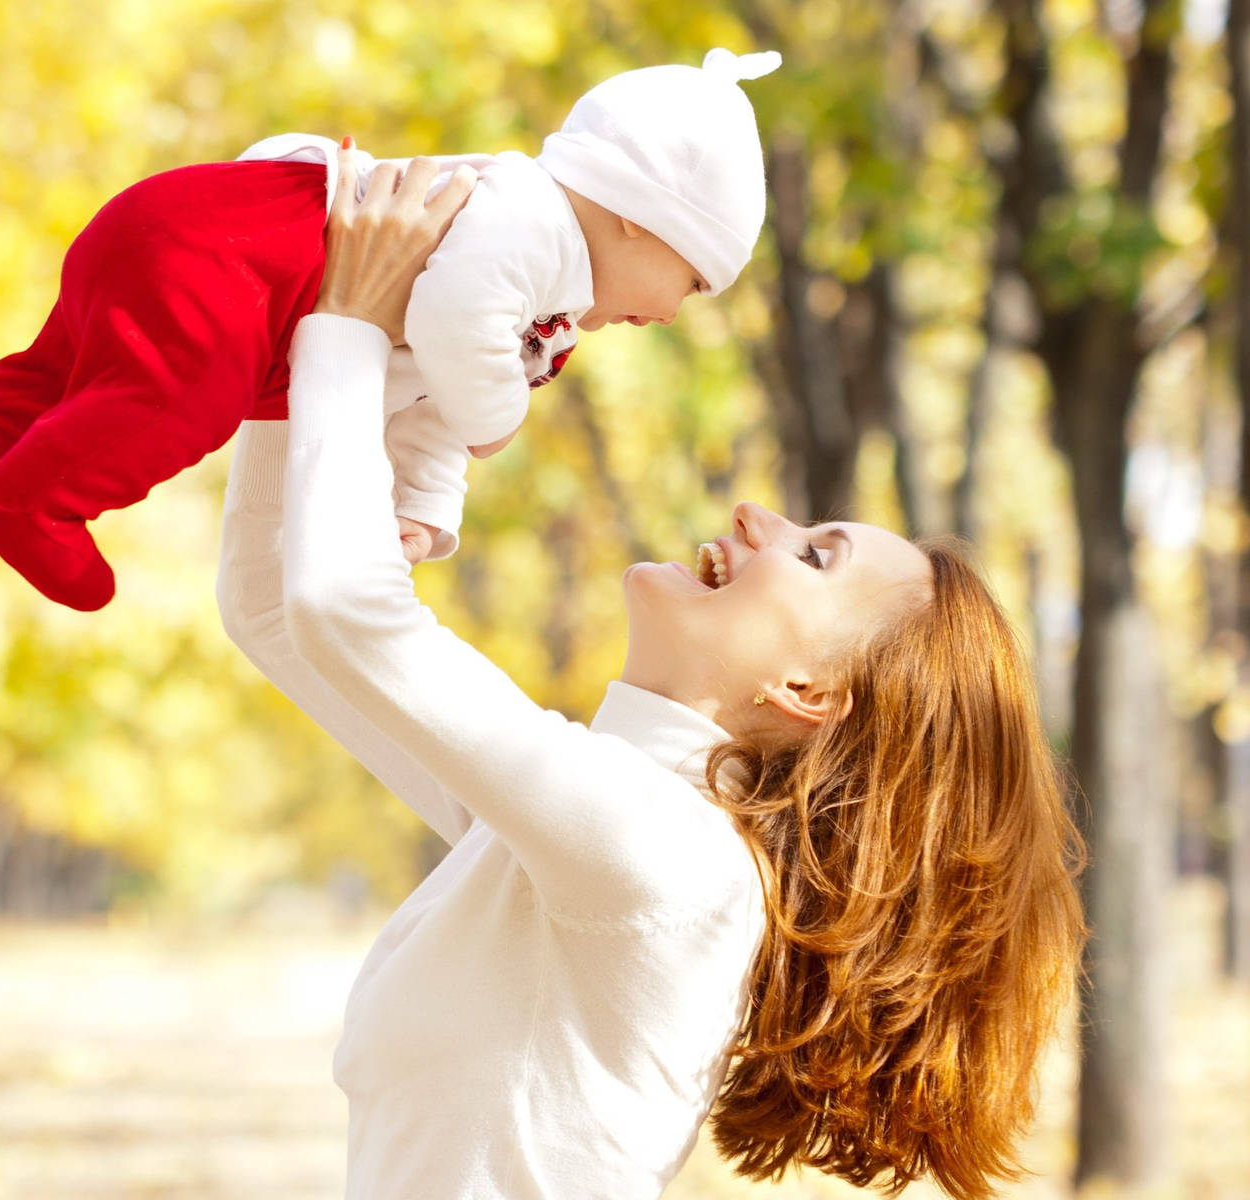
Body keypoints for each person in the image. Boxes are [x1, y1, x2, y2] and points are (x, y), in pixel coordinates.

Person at [216, 156, 1086, 1198]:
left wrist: (351, 328)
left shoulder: (666, 862)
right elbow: (277, 607)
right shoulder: (597, 833)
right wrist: (303, 344)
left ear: (810, 694)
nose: (760, 519)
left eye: (814, 556)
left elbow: (346, 613)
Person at [0, 49, 780, 611]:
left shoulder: (545, 298)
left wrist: (423, 518)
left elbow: (433, 402)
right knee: (172, 401)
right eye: (690, 283)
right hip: (223, 262)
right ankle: (37, 497)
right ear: (637, 217)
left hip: (176, 238)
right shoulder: (528, 218)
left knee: (67, 373)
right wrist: (499, 414)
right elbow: (452, 327)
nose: (667, 315)